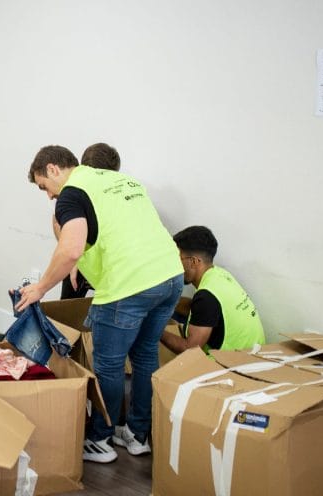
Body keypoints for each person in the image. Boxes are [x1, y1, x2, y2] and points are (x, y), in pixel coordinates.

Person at [17, 145, 183, 463]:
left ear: (52, 169)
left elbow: (70, 249)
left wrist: (40, 288)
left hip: (129, 285)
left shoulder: (72, 193)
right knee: (145, 355)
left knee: (108, 364)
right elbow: (116, 232)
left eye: (44, 186)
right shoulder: (123, 181)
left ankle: (100, 439)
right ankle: (137, 435)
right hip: (170, 277)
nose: (49, 196)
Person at [160, 225, 265, 353]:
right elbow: (200, 311)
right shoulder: (220, 275)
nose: (173, 265)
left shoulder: (206, 297)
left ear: (193, 261)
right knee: (172, 311)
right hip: (256, 352)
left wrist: (154, 330)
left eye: (177, 258)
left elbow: (189, 349)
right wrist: (164, 301)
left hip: (234, 361)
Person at [60, 142, 122, 299]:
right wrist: (75, 258)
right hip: (84, 260)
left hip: (113, 264)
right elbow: (57, 222)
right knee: (68, 300)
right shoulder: (74, 192)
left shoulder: (120, 193)